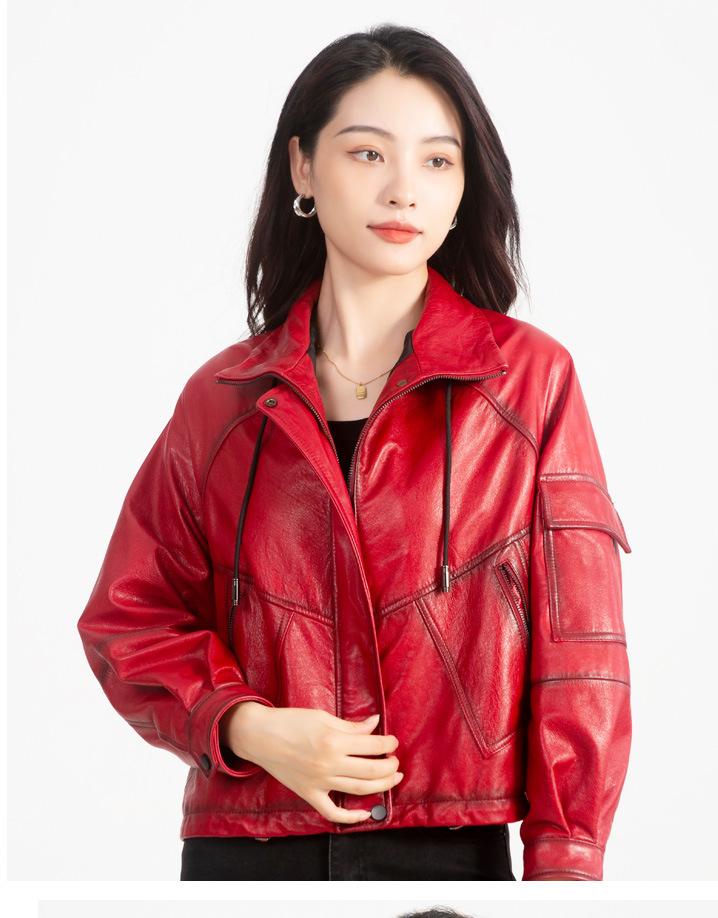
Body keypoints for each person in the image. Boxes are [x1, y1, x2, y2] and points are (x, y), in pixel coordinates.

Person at [78, 23, 631, 882]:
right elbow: (128, 617)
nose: (403, 189)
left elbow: (580, 655)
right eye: (368, 153)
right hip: (245, 855)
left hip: (448, 853)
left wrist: (567, 867)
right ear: (303, 167)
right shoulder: (223, 400)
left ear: (464, 188)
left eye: (437, 161)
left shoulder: (526, 383)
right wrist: (247, 725)